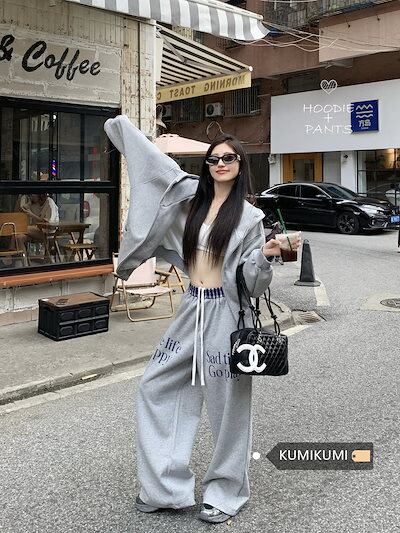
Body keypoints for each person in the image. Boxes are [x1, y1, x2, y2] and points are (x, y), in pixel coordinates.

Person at [104, 116, 300, 524]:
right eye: (213, 159)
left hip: (226, 313)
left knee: (228, 408)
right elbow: (157, 170)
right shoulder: (190, 201)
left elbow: (252, 284)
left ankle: (225, 492)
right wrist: (123, 129)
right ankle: (165, 488)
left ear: (241, 165)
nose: (220, 164)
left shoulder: (249, 217)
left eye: (229, 158)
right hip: (190, 307)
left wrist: (265, 256)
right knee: (155, 386)